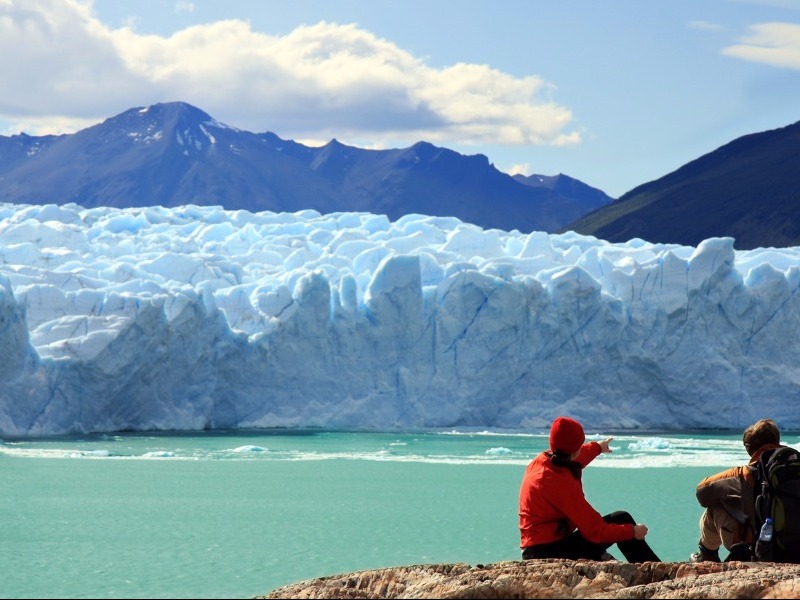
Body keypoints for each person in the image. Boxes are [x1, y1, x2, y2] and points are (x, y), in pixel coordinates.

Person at [518, 416, 660, 562]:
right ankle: (659, 575)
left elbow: (577, 457)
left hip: (538, 547)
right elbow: (595, 530)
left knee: (619, 520)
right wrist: (632, 532)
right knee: (621, 519)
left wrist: (598, 447)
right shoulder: (557, 483)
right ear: (575, 449)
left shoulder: (544, 461)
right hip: (546, 553)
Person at [692, 418, 783, 562]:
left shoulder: (742, 475)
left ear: (749, 448)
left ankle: (707, 556)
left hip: (757, 547)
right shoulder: (795, 467)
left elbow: (702, 492)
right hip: (795, 544)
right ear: (778, 441)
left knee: (715, 507)